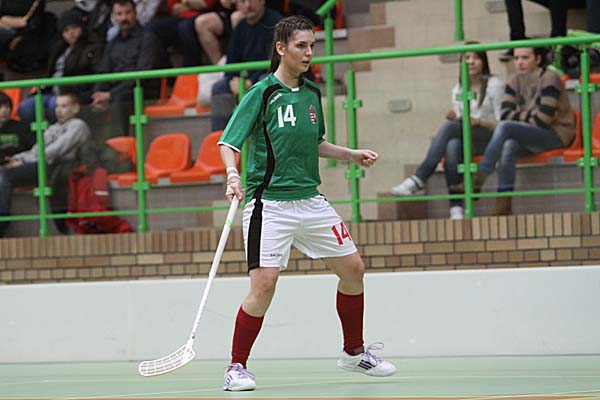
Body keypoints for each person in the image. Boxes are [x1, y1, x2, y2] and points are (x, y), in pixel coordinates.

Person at [217, 15, 396, 392]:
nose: (309, 53)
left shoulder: (312, 93)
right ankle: (236, 367)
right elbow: (228, 142)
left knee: (354, 269)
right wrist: (232, 175)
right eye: (301, 46)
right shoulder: (262, 93)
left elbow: (315, 143)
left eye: (312, 46)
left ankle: (353, 352)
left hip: (310, 201)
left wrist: (350, 154)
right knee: (264, 286)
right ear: (281, 48)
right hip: (269, 205)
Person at [452, 47, 575, 215]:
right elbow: (505, 114)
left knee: (505, 127)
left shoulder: (549, 78)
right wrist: (530, 115)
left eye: (525, 58)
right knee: (508, 144)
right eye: (516, 58)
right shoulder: (514, 80)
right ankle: (504, 204)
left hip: (556, 134)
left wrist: (519, 116)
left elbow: (544, 119)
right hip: (532, 133)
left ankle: (479, 177)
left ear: (538, 59)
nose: (519, 62)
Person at [390, 48, 504, 220]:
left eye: (476, 58)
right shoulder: (458, 88)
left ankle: (419, 178)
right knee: (452, 145)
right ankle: (456, 209)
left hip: (489, 137)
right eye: (467, 58)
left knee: (450, 127)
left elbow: (502, 123)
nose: (471, 62)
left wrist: (478, 121)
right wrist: (459, 118)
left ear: (484, 61)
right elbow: (461, 121)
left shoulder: (494, 84)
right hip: (467, 138)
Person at [0, 92, 91, 237]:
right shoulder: (54, 127)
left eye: (64, 106)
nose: (59, 110)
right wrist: (15, 160)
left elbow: (55, 150)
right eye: (57, 106)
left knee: (5, 175)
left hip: (60, 168)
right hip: (43, 165)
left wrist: (22, 162)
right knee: (3, 172)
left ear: (75, 108)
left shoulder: (78, 126)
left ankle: (2, 220)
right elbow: (36, 150)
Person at [18, 9, 104, 125]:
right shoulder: (59, 48)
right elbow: (50, 73)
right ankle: (38, 135)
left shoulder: (93, 46)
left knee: (54, 105)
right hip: (52, 91)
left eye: (74, 28)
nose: (70, 33)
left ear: (82, 27)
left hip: (75, 93)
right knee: (25, 107)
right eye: (66, 30)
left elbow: (95, 73)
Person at [210, 0, 282, 131]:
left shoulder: (277, 24)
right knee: (219, 87)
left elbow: (276, 63)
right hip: (248, 79)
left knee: (265, 83)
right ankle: (221, 137)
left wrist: (250, 82)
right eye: (242, 1)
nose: (247, 6)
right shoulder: (240, 27)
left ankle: (271, 133)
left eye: (251, 0)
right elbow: (231, 62)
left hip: (271, 76)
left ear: (262, 1)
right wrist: (233, 79)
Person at [91, 0, 159, 139]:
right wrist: (98, 93)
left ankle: (121, 147)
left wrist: (110, 95)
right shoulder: (112, 43)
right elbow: (103, 71)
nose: (124, 18)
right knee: (80, 100)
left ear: (135, 14)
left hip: (141, 91)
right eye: (119, 14)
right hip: (115, 90)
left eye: (127, 13)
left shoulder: (148, 38)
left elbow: (142, 75)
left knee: (119, 99)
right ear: (114, 17)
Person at [0, 92, 34, 162]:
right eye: (0, 107)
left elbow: (32, 148)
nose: (4, 111)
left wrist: (18, 160)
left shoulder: (22, 127)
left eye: (7, 107)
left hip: (20, 162)